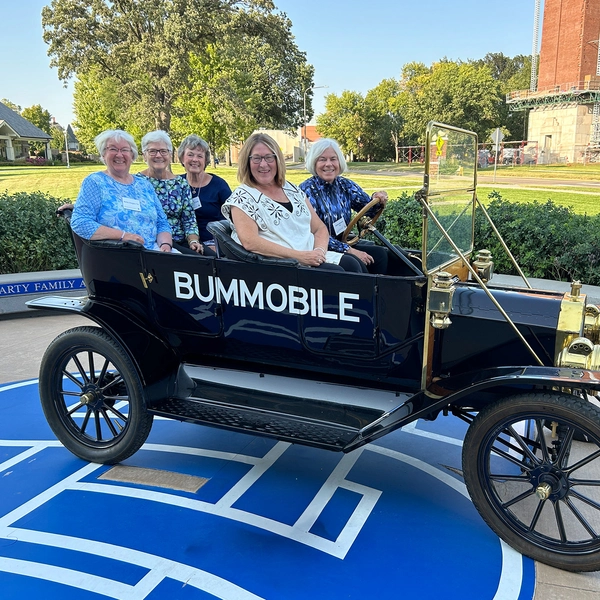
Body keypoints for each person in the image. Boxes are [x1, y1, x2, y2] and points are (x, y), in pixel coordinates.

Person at [222, 133, 363, 272]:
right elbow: (251, 242)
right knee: (340, 274)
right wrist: (300, 257)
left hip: (312, 255)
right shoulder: (241, 198)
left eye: (269, 157)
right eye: (257, 158)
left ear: (278, 160)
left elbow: (319, 228)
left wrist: (319, 251)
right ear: (247, 162)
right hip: (284, 265)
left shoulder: (291, 189)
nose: (263, 164)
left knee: (353, 264)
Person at [70, 129, 173, 252]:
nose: (119, 155)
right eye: (113, 149)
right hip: (117, 254)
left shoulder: (144, 185)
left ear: (132, 155)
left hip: (153, 252)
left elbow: (162, 223)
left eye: (124, 150)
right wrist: (124, 236)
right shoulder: (95, 182)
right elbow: (80, 222)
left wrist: (166, 246)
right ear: (103, 154)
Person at [300, 138, 390, 274]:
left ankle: (380, 292)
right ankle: (366, 293)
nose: (328, 164)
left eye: (333, 159)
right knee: (356, 263)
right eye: (322, 159)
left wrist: (378, 198)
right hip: (320, 247)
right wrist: (350, 251)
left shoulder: (344, 185)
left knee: (380, 255)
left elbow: (368, 209)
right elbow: (312, 234)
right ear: (314, 163)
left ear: (339, 162)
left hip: (345, 242)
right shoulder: (306, 191)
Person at [137, 130, 203, 255]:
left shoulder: (181, 183)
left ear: (170, 154)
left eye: (163, 151)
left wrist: (193, 241)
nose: (158, 155)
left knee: (209, 260)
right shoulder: (136, 182)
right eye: (152, 151)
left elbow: (189, 219)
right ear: (144, 155)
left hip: (178, 240)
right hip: (148, 242)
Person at [178, 135, 231, 256]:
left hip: (213, 242)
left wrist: (217, 243)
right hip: (185, 242)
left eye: (200, 156)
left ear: (205, 160)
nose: (195, 159)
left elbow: (233, 219)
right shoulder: (176, 184)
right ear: (182, 158)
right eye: (190, 155)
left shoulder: (219, 185)